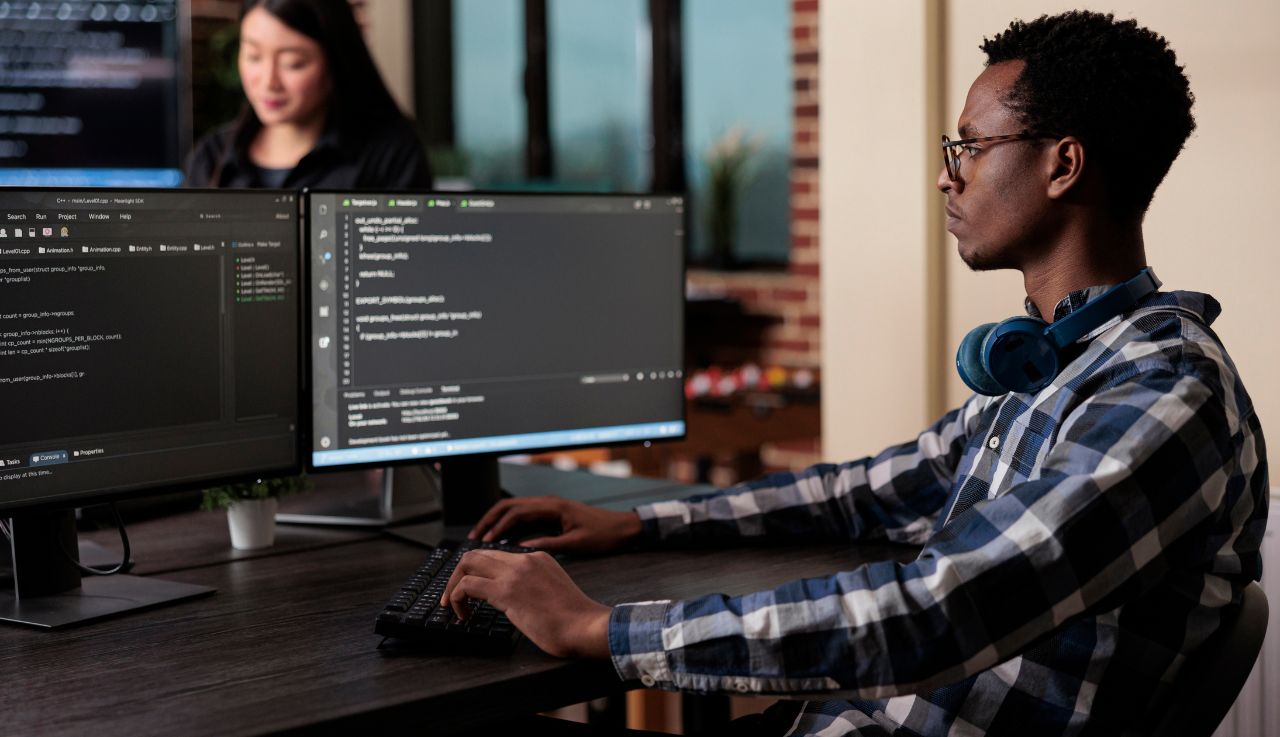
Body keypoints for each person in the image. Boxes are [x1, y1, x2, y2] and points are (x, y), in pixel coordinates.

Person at [441, 11, 1268, 736]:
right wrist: (637, 524)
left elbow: (935, 612)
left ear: (1063, 165)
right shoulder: (1058, 361)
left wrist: (600, 628)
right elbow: (863, 491)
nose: (947, 174)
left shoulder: (1163, 394)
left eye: (970, 147)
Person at [185, 0, 431, 189]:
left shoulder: (390, 155)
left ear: (335, 63)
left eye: (293, 63)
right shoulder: (211, 157)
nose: (269, 82)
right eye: (254, 57)